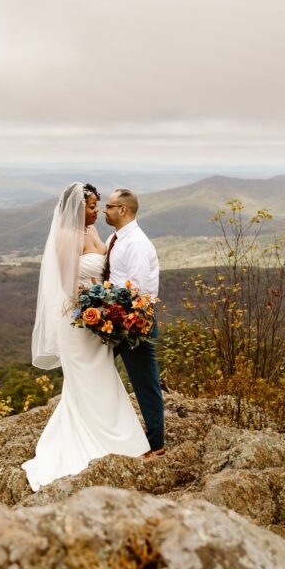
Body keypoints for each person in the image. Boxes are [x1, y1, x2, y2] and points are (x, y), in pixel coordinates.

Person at [22, 182, 151, 492]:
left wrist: (110, 305)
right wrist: (94, 306)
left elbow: (103, 273)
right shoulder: (66, 237)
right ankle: (101, 442)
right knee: (89, 380)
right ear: (78, 209)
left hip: (97, 317)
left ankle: (122, 439)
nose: (97, 211)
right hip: (75, 320)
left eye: (97, 205)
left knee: (103, 376)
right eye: (92, 206)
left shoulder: (92, 233)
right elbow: (66, 285)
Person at [103, 188, 166, 457]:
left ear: (123, 210)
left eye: (109, 205)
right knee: (95, 369)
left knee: (145, 383)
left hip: (134, 322)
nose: (105, 210)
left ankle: (156, 444)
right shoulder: (114, 239)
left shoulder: (137, 244)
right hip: (114, 321)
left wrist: (117, 313)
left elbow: (137, 292)